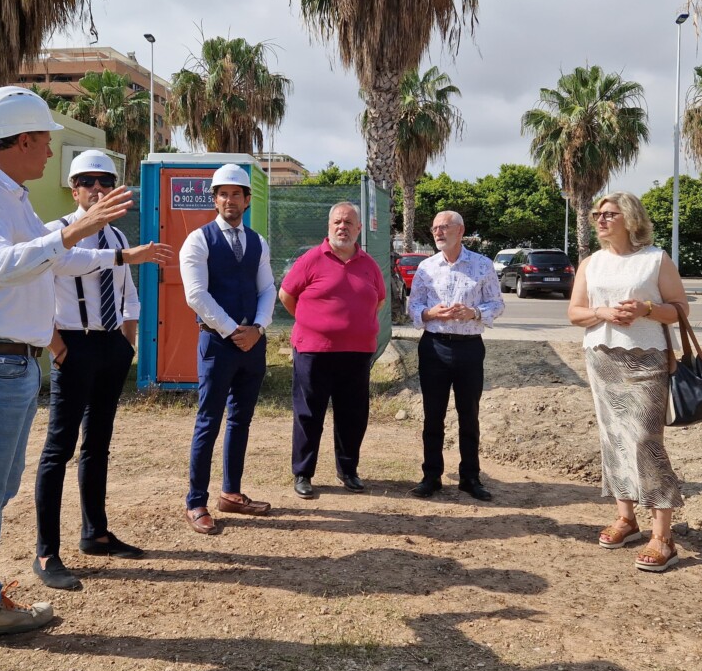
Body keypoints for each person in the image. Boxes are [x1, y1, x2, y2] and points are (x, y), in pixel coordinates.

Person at [0, 87, 165, 671]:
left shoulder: (11, 194)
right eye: (45, 141)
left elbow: (52, 266)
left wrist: (116, 252)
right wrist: (77, 230)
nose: (51, 153)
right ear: (23, 140)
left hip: (5, 367)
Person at [33, 150, 172, 590]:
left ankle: (95, 532)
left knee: (98, 445)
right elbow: (52, 279)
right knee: (58, 450)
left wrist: (125, 343)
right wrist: (58, 350)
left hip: (109, 345)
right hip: (73, 346)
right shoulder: (56, 233)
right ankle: (46, 551)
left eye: (105, 182)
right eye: (87, 182)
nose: (97, 189)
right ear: (73, 190)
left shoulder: (114, 237)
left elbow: (129, 294)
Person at [567, 191, 687, 573]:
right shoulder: (591, 263)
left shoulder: (654, 259)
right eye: (598, 213)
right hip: (602, 357)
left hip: (646, 359)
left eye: (610, 213)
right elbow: (574, 312)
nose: (601, 219)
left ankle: (663, 535)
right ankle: (626, 518)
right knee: (613, 436)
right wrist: (602, 312)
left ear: (630, 219)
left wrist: (646, 308)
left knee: (643, 440)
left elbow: (680, 311)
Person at [179, 163, 276, 535]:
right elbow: (196, 295)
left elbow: (267, 289)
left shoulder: (257, 241)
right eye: (223, 193)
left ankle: (231, 493)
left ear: (247, 199)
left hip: (252, 343)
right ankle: (196, 501)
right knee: (209, 421)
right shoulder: (199, 240)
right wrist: (235, 330)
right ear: (214, 198)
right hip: (217, 344)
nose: (229, 199)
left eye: (236, 193)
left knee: (241, 419)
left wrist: (259, 328)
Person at [279, 201, 385, 498]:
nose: (343, 227)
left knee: (353, 414)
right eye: (338, 222)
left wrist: (356, 326)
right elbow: (287, 295)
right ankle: (303, 473)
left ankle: (348, 471)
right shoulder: (311, 259)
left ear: (359, 229)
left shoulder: (369, 264)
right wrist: (313, 323)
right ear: (329, 227)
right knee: (308, 414)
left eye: (349, 222)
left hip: (357, 354)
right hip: (314, 352)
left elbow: (379, 301)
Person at [406, 210, 504, 501]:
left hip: (469, 347)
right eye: (435, 228)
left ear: (460, 231)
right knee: (432, 415)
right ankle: (431, 476)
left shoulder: (482, 265)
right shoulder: (425, 268)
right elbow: (413, 307)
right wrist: (427, 313)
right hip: (434, 347)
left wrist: (474, 312)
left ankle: (470, 477)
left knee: (469, 415)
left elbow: (497, 305)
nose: (438, 232)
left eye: (444, 227)